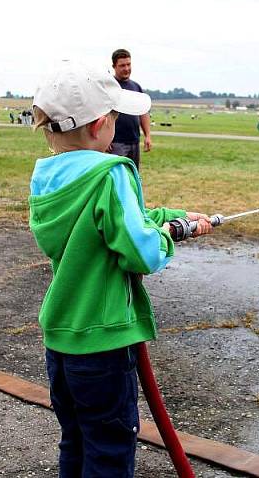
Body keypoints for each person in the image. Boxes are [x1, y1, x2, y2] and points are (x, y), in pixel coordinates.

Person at [28, 60, 213, 477]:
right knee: (110, 451)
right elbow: (141, 252)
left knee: (76, 439)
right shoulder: (111, 173)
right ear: (99, 125)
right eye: (114, 117)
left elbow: (111, 222)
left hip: (62, 341)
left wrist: (174, 213)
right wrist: (169, 234)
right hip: (103, 344)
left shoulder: (47, 175)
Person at [108, 48, 151, 169]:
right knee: (117, 177)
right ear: (114, 66)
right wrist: (105, 140)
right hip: (115, 142)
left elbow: (144, 113)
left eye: (128, 64)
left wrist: (147, 135)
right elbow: (101, 113)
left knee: (133, 176)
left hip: (134, 140)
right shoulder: (110, 86)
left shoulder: (136, 87)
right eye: (122, 65)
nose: (126, 68)